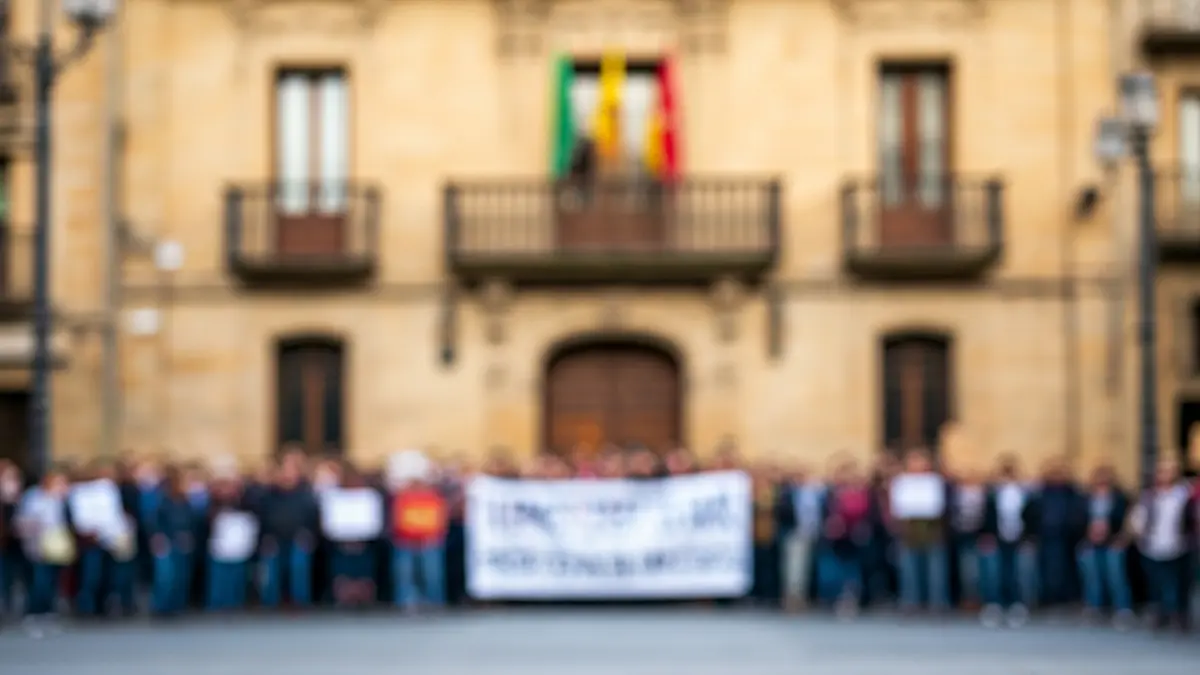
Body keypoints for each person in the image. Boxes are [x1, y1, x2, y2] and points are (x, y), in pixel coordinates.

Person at [1133, 457, 1194, 632]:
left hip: (1178, 545)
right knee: (1156, 582)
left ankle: (1177, 615)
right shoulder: (1150, 496)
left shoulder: (1184, 494)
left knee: (1176, 583)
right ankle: (1160, 613)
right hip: (1153, 545)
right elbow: (1139, 518)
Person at [979, 456, 1038, 628]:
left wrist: (1030, 537)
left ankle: (1017, 606)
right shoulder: (992, 494)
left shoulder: (1025, 493)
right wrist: (987, 535)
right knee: (994, 574)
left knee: (1018, 574)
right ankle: (994, 605)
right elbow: (987, 516)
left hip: (1019, 539)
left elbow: (1032, 517)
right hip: (997, 539)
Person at [18, 466, 76, 637]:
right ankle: (33, 615)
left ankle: (49, 614)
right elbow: (27, 523)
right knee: (40, 582)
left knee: (53, 582)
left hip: (58, 546)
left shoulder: (62, 500)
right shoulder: (35, 498)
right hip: (39, 545)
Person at [1075, 463, 1133, 629]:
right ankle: (1094, 608)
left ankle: (1122, 609)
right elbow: (1077, 519)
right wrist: (1086, 534)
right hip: (1089, 542)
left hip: (1113, 542)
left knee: (1116, 576)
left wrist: (1122, 538)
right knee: (1092, 577)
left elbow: (1127, 521)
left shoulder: (1120, 498)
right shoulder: (1086, 498)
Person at [391, 473, 448, 612]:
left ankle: (434, 602)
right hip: (406, 542)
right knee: (405, 575)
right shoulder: (403, 499)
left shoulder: (433, 498)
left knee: (432, 575)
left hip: (429, 542)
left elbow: (440, 520)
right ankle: (405, 602)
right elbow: (397, 520)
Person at [151, 467, 198, 617]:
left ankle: (177, 605)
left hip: (182, 542)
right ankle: (162, 607)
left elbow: (193, 522)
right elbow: (155, 522)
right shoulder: (162, 502)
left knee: (181, 576)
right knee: (165, 577)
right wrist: (158, 537)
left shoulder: (185, 502)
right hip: (166, 542)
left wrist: (189, 535)